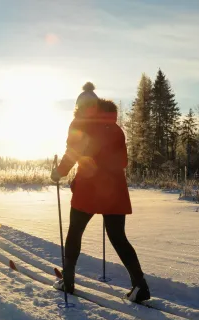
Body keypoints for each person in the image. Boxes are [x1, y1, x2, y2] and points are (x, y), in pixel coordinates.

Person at [50, 82, 150, 303]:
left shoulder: (79, 123)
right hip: (114, 190)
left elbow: (72, 153)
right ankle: (140, 285)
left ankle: (68, 281)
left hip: (89, 188)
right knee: (118, 237)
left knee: (75, 232)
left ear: (80, 106)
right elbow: (123, 161)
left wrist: (59, 172)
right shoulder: (115, 128)